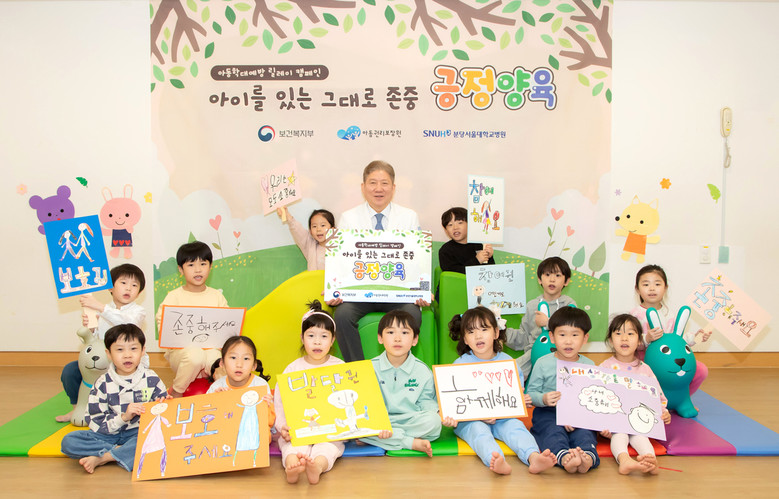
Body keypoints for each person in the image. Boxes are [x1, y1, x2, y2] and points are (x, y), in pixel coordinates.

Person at [332, 160, 427, 361]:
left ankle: (397, 367)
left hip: (397, 293)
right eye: (373, 183)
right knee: (342, 315)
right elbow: (340, 262)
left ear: (393, 187)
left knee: (413, 313)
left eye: (384, 183)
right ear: (363, 187)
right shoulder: (348, 218)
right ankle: (358, 370)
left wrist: (422, 290)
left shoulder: (409, 217)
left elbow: (418, 259)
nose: (378, 189)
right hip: (360, 293)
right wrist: (334, 289)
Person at [444, 306, 557, 475]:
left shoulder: (508, 363)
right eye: (471, 332)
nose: (478, 336)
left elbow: (514, 395)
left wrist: (520, 400)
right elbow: (456, 402)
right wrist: (472, 416)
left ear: (496, 333)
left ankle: (533, 457)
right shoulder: (460, 365)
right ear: (465, 339)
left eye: (484, 329)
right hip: (471, 421)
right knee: (479, 432)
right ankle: (496, 460)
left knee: (516, 428)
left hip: (503, 418)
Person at [60, 324, 167, 473]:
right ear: (108, 354)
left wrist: (164, 402)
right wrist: (123, 417)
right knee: (69, 441)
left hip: (138, 433)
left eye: (133, 349)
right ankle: (122, 452)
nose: (127, 355)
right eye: (120, 350)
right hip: (108, 435)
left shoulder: (151, 378)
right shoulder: (102, 383)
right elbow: (95, 420)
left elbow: (162, 414)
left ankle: (105, 457)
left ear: (143, 351)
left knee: (160, 437)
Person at [57, 263, 147, 422]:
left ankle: (112, 411)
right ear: (111, 288)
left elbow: (128, 324)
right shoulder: (101, 312)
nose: (128, 288)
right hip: (102, 362)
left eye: (134, 285)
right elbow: (93, 342)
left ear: (139, 292)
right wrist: (91, 327)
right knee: (70, 371)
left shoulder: (137, 312)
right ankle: (78, 408)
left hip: (126, 366)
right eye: (123, 283)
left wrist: (100, 307)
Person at [274, 301, 345, 485]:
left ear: (332, 340)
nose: (317, 341)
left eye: (324, 336)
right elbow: (280, 402)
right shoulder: (293, 369)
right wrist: (283, 427)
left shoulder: (339, 367)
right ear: (302, 338)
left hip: (330, 429)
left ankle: (317, 467)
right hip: (298, 428)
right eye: (311, 335)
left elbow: (347, 398)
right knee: (292, 447)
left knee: (328, 448)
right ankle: (292, 467)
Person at [525, 307, 600, 473]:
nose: (568, 341)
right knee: (551, 431)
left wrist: (575, 416)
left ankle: (587, 458)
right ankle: (564, 457)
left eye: (575, 335)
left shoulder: (589, 366)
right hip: (548, 412)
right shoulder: (543, 363)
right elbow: (530, 394)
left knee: (585, 433)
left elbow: (592, 400)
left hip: (579, 414)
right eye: (562, 335)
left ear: (585, 338)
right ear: (552, 337)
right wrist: (543, 398)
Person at [358, 310, 442, 456]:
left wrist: (438, 413)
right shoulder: (369, 368)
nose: (397, 339)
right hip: (381, 420)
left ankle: (380, 438)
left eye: (404, 333)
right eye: (390, 332)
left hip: (411, 419)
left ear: (415, 339)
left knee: (434, 422)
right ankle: (410, 442)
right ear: (380, 338)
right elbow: (365, 405)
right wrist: (377, 423)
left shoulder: (423, 371)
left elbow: (426, 402)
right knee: (359, 424)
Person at [599, 314, 670, 475]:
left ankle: (650, 460)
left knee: (640, 437)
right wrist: (601, 425)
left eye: (630, 334)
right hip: (615, 422)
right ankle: (624, 460)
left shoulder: (645, 369)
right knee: (620, 435)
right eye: (618, 333)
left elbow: (658, 396)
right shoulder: (604, 367)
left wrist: (663, 412)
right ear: (610, 340)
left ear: (639, 341)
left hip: (639, 420)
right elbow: (598, 398)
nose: (624, 338)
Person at [155, 241, 228, 397]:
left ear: (210, 266)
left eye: (203, 264)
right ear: (181, 270)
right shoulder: (174, 297)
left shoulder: (216, 296)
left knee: (217, 359)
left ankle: (222, 394)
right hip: (182, 354)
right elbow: (163, 324)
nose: (198, 269)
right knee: (195, 355)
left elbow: (226, 326)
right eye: (191, 265)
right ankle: (177, 391)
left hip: (210, 351)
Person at [629, 264, 710, 394]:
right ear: (637, 289)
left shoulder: (669, 314)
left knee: (701, 370)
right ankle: (653, 399)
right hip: (644, 359)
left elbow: (677, 340)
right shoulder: (634, 315)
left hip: (668, 360)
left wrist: (696, 337)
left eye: (657, 284)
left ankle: (680, 398)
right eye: (646, 284)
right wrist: (646, 339)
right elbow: (629, 342)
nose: (652, 288)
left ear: (665, 288)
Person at [505, 256, 575, 377]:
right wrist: (502, 332)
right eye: (547, 275)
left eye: (558, 275)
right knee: (510, 372)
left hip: (561, 354)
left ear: (566, 281)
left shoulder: (569, 305)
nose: (552, 279)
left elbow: (572, 331)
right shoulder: (532, 305)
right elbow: (524, 338)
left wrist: (547, 323)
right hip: (534, 354)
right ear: (539, 279)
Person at [277, 206, 335, 271]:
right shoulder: (310, 246)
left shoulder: (339, 247)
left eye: (323, 225)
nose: (318, 229)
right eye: (314, 226)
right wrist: (287, 216)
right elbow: (297, 230)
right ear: (310, 231)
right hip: (314, 277)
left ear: (332, 229)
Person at [438, 207, 495, 273]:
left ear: (469, 225)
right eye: (450, 225)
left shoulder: (478, 245)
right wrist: (476, 261)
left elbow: (489, 272)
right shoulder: (445, 251)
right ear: (446, 230)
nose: (455, 227)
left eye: (460, 223)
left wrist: (489, 257)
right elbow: (453, 274)